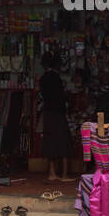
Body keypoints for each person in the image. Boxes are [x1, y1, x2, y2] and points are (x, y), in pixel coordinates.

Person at [38, 52, 70, 182]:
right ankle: (64, 175)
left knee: (50, 140)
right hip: (58, 112)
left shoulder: (43, 78)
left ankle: (52, 173)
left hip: (48, 112)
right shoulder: (56, 78)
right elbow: (61, 96)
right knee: (64, 141)